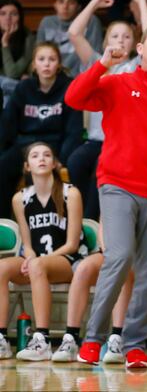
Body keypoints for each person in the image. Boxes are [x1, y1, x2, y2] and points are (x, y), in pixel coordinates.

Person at [65, 21, 147, 369]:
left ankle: (135, 344)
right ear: (141, 49)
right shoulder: (117, 84)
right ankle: (93, 339)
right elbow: (74, 97)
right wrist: (102, 64)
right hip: (117, 185)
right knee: (119, 256)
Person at [66, 0, 147, 221]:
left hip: (123, 143)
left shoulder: (138, 66)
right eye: (115, 36)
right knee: (74, 162)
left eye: (126, 37)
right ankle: (79, 220)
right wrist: (94, 3)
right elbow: (74, 33)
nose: (121, 41)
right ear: (106, 42)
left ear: (135, 43)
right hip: (96, 140)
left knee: (98, 172)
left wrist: (141, 2)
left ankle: (94, 224)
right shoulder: (98, 62)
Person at [0, 142, 87, 361]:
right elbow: (27, 243)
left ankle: (42, 340)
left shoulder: (71, 193)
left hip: (68, 261)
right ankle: (1, 339)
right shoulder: (20, 199)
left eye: (47, 155)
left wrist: (37, 261)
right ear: (27, 166)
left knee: (38, 265)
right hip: (36, 262)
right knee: (1, 268)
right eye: (35, 156)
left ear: (55, 163)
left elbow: (72, 244)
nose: (41, 159)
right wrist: (30, 257)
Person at [0, 42, 82, 219]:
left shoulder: (69, 87)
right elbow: (8, 123)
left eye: (52, 59)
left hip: (54, 147)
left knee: (42, 172)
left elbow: (74, 130)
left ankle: (51, 226)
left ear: (59, 64)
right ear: (34, 65)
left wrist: (61, 158)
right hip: (25, 146)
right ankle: (5, 225)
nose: (46, 64)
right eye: (41, 59)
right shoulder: (23, 88)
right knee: (3, 166)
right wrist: (5, 150)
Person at [52, 221, 135, 363]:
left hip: (137, 254)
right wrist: (107, 249)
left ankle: (117, 339)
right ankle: (71, 338)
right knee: (83, 268)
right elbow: (104, 220)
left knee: (123, 267)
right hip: (110, 251)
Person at [36, 0, 104, 76]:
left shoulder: (91, 21)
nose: (65, 7)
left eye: (71, 2)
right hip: (51, 75)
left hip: (81, 76)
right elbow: (38, 52)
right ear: (55, 5)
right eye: (61, 1)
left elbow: (95, 54)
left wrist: (62, 69)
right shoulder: (47, 22)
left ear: (78, 6)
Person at [0, 0, 36, 103]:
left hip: (11, 87)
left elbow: (12, 73)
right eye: (2, 14)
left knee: (8, 97)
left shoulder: (29, 39)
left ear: (20, 18)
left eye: (14, 14)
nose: (8, 18)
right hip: (11, 85)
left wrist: (5, 44)